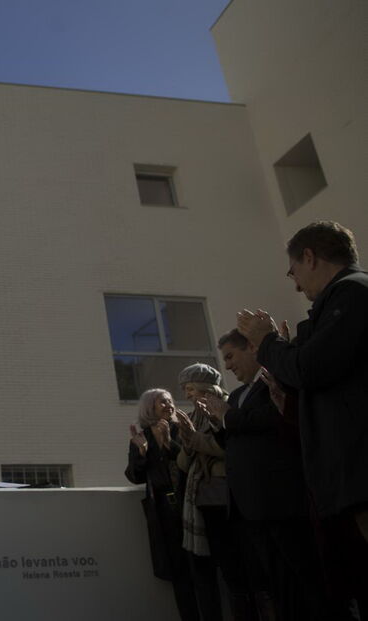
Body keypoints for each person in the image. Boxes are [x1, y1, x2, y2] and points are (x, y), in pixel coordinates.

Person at [237, 221, 368, 615]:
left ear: (309, 257)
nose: (295, 285)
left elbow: (310, 368)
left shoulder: (353, 293)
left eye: (292, 271)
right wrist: (288, 399)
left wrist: (267, 342)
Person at [202, 329, 330, 620]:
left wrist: (227, 416)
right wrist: (218, 423)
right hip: (250, 509)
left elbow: (272, 419)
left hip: (283, 502)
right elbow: (233, 441)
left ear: (251, 347)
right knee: (278, 586)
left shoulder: (277, 381)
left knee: (308, 581)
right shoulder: (236, 395)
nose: (228, 366)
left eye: (231, 356)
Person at [175, 363, 251, 621]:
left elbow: (229, 448)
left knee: (235, 569)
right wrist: (187, 442)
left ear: (204, 386)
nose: (187, 394)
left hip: (225, 497)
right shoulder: (192, 416)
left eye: (190, 388)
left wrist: (195, 440)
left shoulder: (226, 407)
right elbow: (183, 464)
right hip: (202, 500)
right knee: (216, 568)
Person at [126, 388, 200, 621]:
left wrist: (168, 443)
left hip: (189, 504)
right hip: (163, 511)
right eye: (163, 402)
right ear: (150, 407)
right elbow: (135, 476)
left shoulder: (181, 429)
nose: (169, 406)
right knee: (178, 572)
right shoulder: (142, 436)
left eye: (170, 401)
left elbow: (191, 461)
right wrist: (142, 452)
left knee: (200, 568)